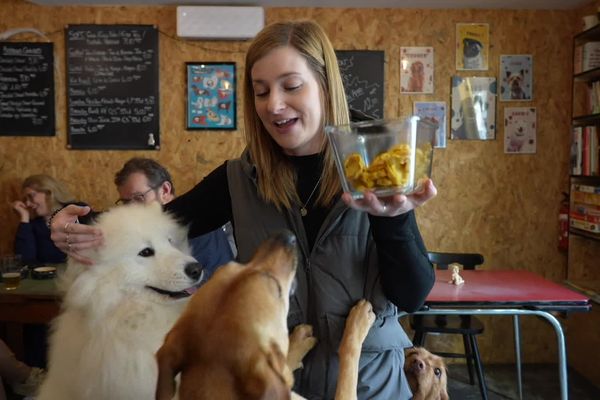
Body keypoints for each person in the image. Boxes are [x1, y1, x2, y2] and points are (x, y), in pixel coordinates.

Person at [49, 20, 436, 399]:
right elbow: (155, 222)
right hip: (273, 383)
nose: (274, 105)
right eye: (261, 91)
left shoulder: (377, 168)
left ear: (325, 85)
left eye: (291, 86)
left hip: (369, 387)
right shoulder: (239, 178)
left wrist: (395, 220)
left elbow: (412, 295)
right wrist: (73, 219)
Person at [113, 157, 234, 278]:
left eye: (139, 198)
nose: (132, 209)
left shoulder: (195, 225)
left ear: (165, 190)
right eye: (126, 202)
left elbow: (204, 284)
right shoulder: (149, 232)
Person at [10, 174, 78, 265]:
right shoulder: (33, 226)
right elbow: (25, 260)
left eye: (31, 196)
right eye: (25, 199)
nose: (27, 203)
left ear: (49, 192)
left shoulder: (78, 211)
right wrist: (24, 218)